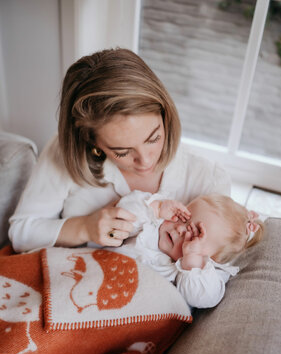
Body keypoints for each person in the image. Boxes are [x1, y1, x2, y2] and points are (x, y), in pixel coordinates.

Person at [9, 48, 231, 253]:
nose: (145, 161)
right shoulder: (65, 154)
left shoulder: (208, 179)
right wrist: (85, 227)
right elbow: (21, 233)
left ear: (165, 115)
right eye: (122, 152)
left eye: (154, 138)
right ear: (91, 141)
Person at [103, 191, 264, 308]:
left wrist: (193, 258)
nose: (180, 229)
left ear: (209, 259)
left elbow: (204, 298)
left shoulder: (193, 274)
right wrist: (156, 209)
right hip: (100, 274)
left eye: (193, 235)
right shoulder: (153, 224)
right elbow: (119, 216)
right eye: (183, 218)